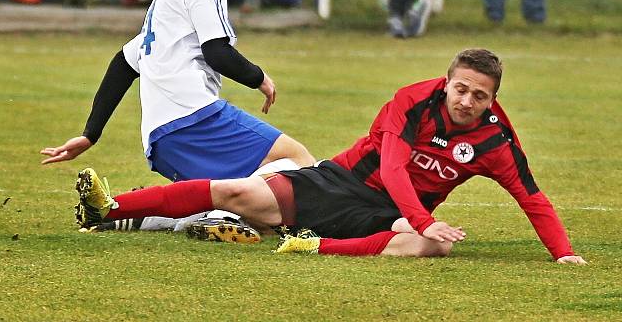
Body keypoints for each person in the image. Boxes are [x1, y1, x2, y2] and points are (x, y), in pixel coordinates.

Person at [74, 48, 587, 264]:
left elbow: (531, 196)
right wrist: (424, 218)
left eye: (480, 95)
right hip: (338, 182)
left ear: (493, 99)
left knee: (436, 250)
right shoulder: (413, 100)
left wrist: (563, 254)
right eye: (461, 89)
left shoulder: (497, 141)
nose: (467, 100)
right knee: (237, 191)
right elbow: (389, 167)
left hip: (386, 214)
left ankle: (310, 246)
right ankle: (113, 208)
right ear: (447, 82)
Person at [40, 0, 315, 234]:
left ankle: (136, 216)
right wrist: (260, 78)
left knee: (256, 212)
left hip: (160, 140)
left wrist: (90, 134)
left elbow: (123, 63)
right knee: (300, 162)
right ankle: (219, 217)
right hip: (195, 118)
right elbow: (217, 51)